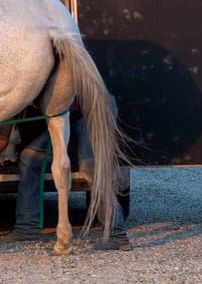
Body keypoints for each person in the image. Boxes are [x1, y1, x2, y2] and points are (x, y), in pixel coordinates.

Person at [11, 99, 131, 250]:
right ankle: (27, 227)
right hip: (63, 115)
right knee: (29, 157)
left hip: (89, 112)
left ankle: (117, 234)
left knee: (89, 168)